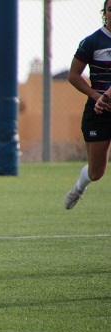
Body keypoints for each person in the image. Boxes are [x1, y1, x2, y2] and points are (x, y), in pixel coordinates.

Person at [64, 0, 111, 210]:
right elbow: (73, 75)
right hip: (99, 112)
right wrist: (96, 96)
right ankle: (79, 187)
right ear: (105, 13)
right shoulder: (92, 41)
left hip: (104, 102)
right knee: (96, 172)